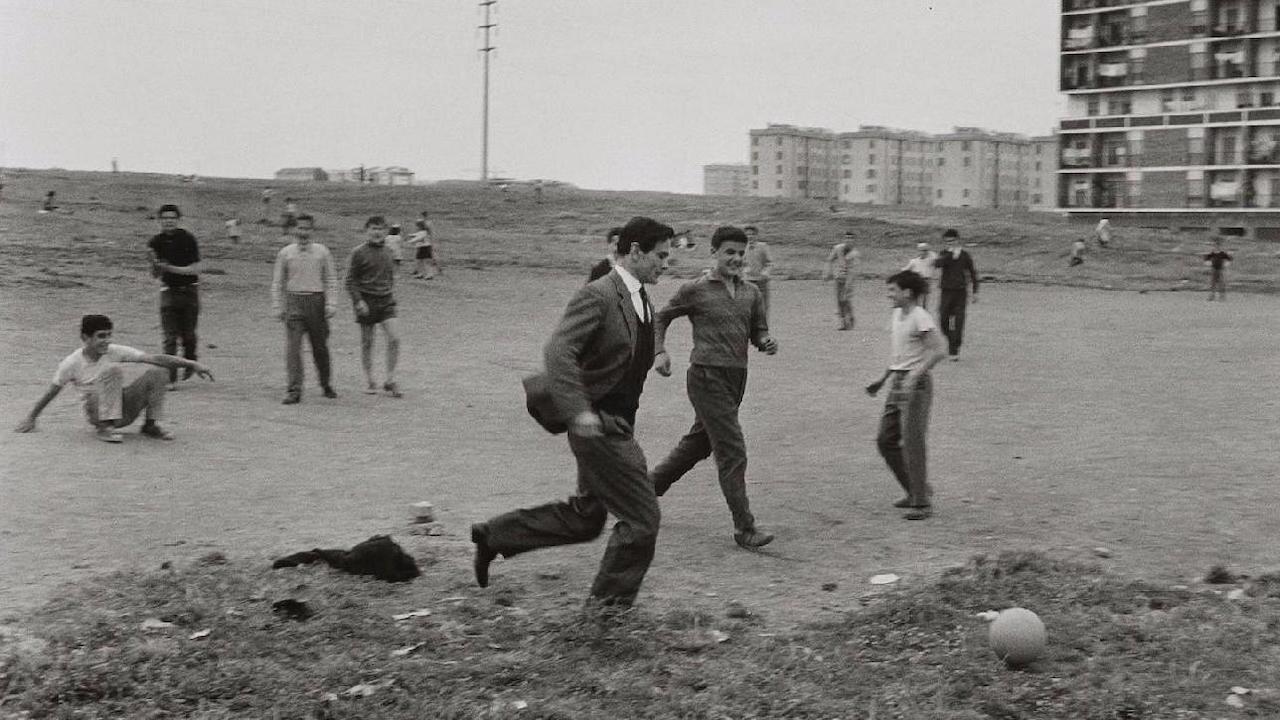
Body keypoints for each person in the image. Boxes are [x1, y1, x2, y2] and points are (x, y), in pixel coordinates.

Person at [470, 216, 674, 611]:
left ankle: (493, 536)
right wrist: (578, 411)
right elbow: (558, 351)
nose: (667, 264)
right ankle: (604, 617)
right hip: (599, 425)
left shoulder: (642, 299)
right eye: (661, 256)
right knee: (643, 520)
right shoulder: (599, 294)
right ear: (635, 251)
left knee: (585, 518)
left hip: (617, 421)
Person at [649, 226, 778, 549]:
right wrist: (659, 351)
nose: (736, 258)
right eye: (729, 252)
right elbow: (661, 318)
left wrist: (765, 342)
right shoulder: (696, 289)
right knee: (732, 450)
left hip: (736, 378)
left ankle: (642, 493)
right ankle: (744, 528)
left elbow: (758, 330)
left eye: (740, 253)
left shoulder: (752, 293)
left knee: (698, 445)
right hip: (706, 377)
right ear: (714, 253)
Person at [14, 314, 213, 443]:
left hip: (123, 409)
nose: (106, 341)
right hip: (98, 412)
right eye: (101, 336)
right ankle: (105, 429)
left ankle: (150, 425)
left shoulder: (114, 350)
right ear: (86, 338)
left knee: (159, 371)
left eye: (109, 335)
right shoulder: (71, 362)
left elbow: (153, 358)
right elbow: (52, 391)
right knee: (113, 370)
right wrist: (32, 417)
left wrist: (191, 364)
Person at [864, 271, 945, 520]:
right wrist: (882, 379)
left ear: (907, 292)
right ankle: (915, 489)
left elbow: (940, 349)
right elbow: (901, 354)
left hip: (916, 385)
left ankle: (921, 503)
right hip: (898, 382)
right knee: (885, 440)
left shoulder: (920, 317)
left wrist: (915, 375)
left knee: (912, 442)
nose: (890, 295)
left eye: (893, 290)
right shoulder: (898, 314)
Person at [272, 214, 338, 404]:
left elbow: (331, 279)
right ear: (294, 230)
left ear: (312, 230)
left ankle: (325, 383)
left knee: (320, 347)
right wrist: (277, 305)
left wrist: (331, 303)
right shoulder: (286, 253)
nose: (303, 233)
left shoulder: (322, 252)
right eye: (300, 228)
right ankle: (294, 389)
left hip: (316, 301)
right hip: (294, 301)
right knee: (293, 348)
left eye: (307, 229)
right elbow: (278, 282)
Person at [345, 216, 403, 397]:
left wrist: (390, 290)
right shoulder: (358, 252)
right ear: (366, 231)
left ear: (386, 231)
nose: (377, 232)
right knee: (368, 342)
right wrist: (358, 301)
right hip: (366, 302)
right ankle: (369, 380)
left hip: (386, 301)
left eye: (380, 228)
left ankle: (390, 379)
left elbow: (391, 275)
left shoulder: (390, 251)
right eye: (373, 228)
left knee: (394, 338)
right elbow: (350, 280)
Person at [148, 204, 202, 388]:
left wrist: (169, 268)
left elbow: (195, 269)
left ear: (177, 220)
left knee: (188, 336)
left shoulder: (188, 239)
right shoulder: (155, 242)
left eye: (172, 218)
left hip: (189, 291)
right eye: (165, 218)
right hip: (168, 291)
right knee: (169, 337)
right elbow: (155, 274)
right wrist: (154, 264)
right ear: (160, 221)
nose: (169, 221)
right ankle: (169, 378)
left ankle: (190, 360)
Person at [933, 229, 979, 361]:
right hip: (946, 292)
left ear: (957, 240)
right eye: (947, 241)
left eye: (952, 241)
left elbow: (973, 273)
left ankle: (954, 350)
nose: (950, 243)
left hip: (960, 293)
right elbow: (937, 264)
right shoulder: (943, 253)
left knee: (959, 323)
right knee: (943, 321)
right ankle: (951, 341)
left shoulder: (965, 255)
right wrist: (949, 254)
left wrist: (975, 291)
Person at [823, 231, 860, 330]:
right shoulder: (838, 248)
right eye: (847, 238)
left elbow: (852, 272)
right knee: (839, 301)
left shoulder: (855, 254)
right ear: (844, 239)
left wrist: (847, 286)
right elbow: (829, 260)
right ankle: (843, 322)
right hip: (838, 278)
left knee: (846, 299)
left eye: (851, 238)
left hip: (849, 279)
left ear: (854, 241)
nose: (849, 240)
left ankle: (851, 317)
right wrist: (828, 272)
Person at [742, 225, 774, 318]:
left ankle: (763, 328)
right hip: (748, 281)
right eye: (747, 235)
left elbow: (769, 263)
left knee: (763, 306)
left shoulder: (763, 247)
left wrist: (765, 273)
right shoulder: (742, 248)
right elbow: (739, 263)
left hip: (761, 281)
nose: (750, 237)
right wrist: (743, 270)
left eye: (752, 234)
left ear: (756, 236)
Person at [902, 242, 938, 310]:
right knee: (915, 299)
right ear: (918, 251)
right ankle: (915, 313)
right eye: (921, 250)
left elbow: (935, 257)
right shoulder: (914, 261)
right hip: (916, 281)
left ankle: (924, 314)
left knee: (925, 300)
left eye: (925, 250)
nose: (923, 252)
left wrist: (929, 250)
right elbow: (905, 270)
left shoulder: (930, 260)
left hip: (926, 281)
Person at [1204, 236, 1232, 301]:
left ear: (1220, 246)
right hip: (1214, 269)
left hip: (1221, 269)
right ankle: (1212, 296)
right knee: (1213, 283)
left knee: (1221, 283)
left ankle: (1222, 297)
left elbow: (1229, 259)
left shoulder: (1223, 253)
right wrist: (1208, 263)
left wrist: (1226, 264)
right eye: (1215, 246)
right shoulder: (1212, 253)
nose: (1216, 247)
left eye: (1218, 246)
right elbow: (1206, 258)